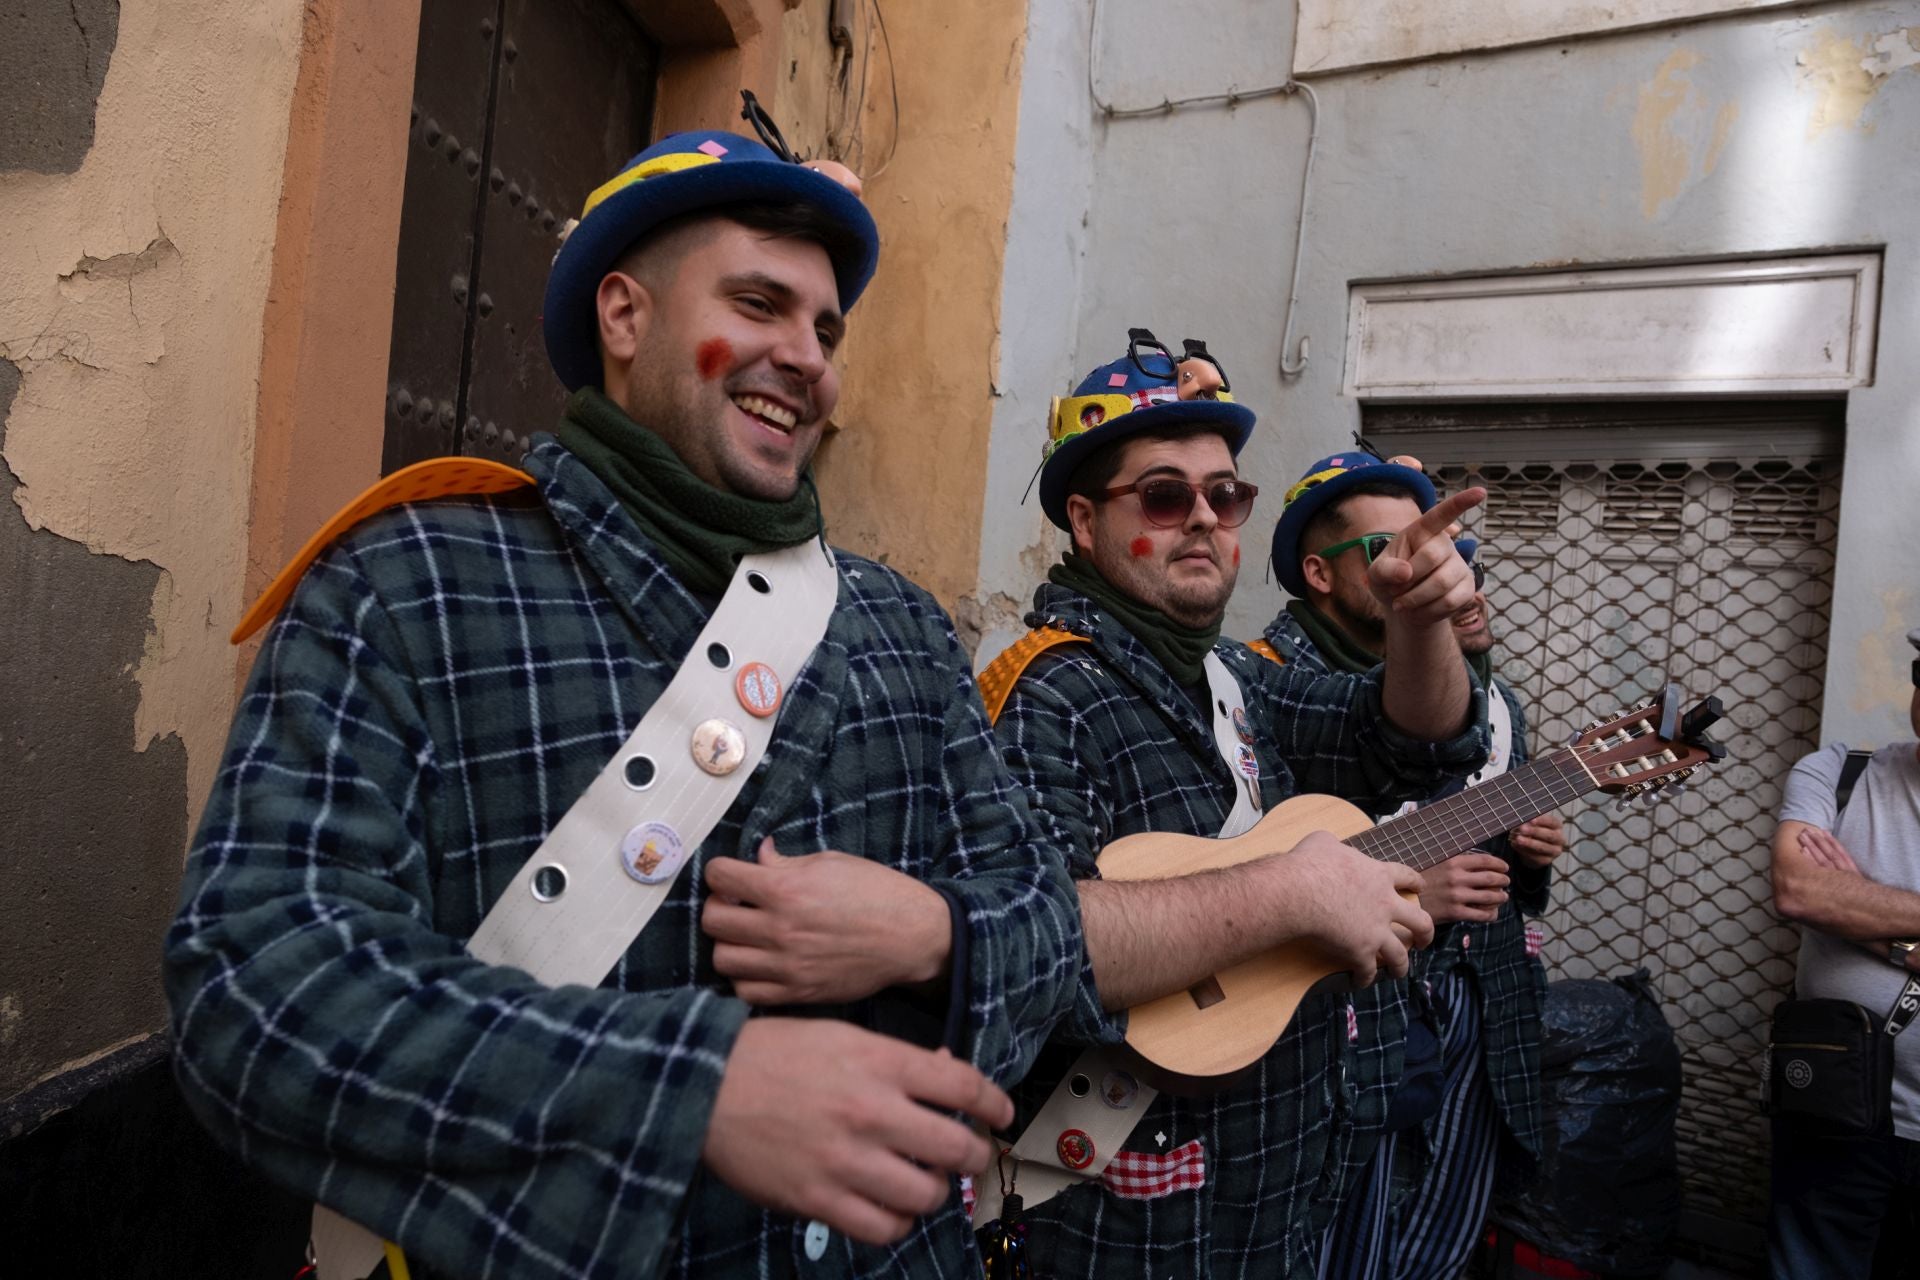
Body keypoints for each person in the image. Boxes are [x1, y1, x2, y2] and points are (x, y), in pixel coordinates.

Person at [162, 128, 1084, 1279]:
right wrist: (690, 1089)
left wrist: (936, 933)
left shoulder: (902, 623)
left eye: (828, 328)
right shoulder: (405, 584)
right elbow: (256, 977)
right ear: (625, 316)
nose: (809, 359)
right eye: (759, 303)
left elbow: (1050, 921)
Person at [980, 331, 1490, 1278]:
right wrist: (1289, 892)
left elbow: (1407, 738)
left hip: (1273, 1193)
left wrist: (1421, 622)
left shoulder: (1237, 681)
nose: (1206, 519)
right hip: (1129, 1219)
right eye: (1166, 496)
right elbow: (1037, 950)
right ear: (1086, 524)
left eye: (1227, 495)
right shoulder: (1041, 695)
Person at [1256, 453, 1566, 1280]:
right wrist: (1405, 886)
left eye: (1448, 554)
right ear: (1318, 574)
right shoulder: (1272, 682)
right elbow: (1246, 863)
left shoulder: (1488, 702)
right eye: (1386, 549)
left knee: (1439, 1222)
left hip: (1475, 994)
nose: (1424, 566)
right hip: (1352, 1013)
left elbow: (1500, 865)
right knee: (1336, 1228)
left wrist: (1528, 855)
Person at [1767, 626, 1920, 1280]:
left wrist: (1856, 900)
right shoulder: (1837, 773)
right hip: (1837, 1109)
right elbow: (1799, 889)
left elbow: (1828, 898)